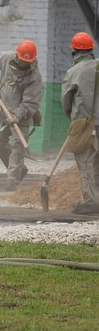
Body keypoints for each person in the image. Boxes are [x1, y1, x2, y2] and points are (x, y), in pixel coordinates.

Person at [0, 40, 43, 191]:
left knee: (17, 147)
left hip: (21, 116)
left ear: (32, 60)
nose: (24, 64)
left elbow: (30, 103)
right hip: (2, 111)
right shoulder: (7, 58)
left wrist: (17, 116)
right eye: (22, 60)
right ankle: (19, 169)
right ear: (17, 55)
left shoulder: (35, 77)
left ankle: (12, 181)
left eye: (27, 61)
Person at [60, 32, 99, 215]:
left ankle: (91, 201)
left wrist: (73, 118)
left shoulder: (73, 72)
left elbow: (66, 101)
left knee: (86, 162)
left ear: (74, 52)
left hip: (85, 124)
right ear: (91, 50)